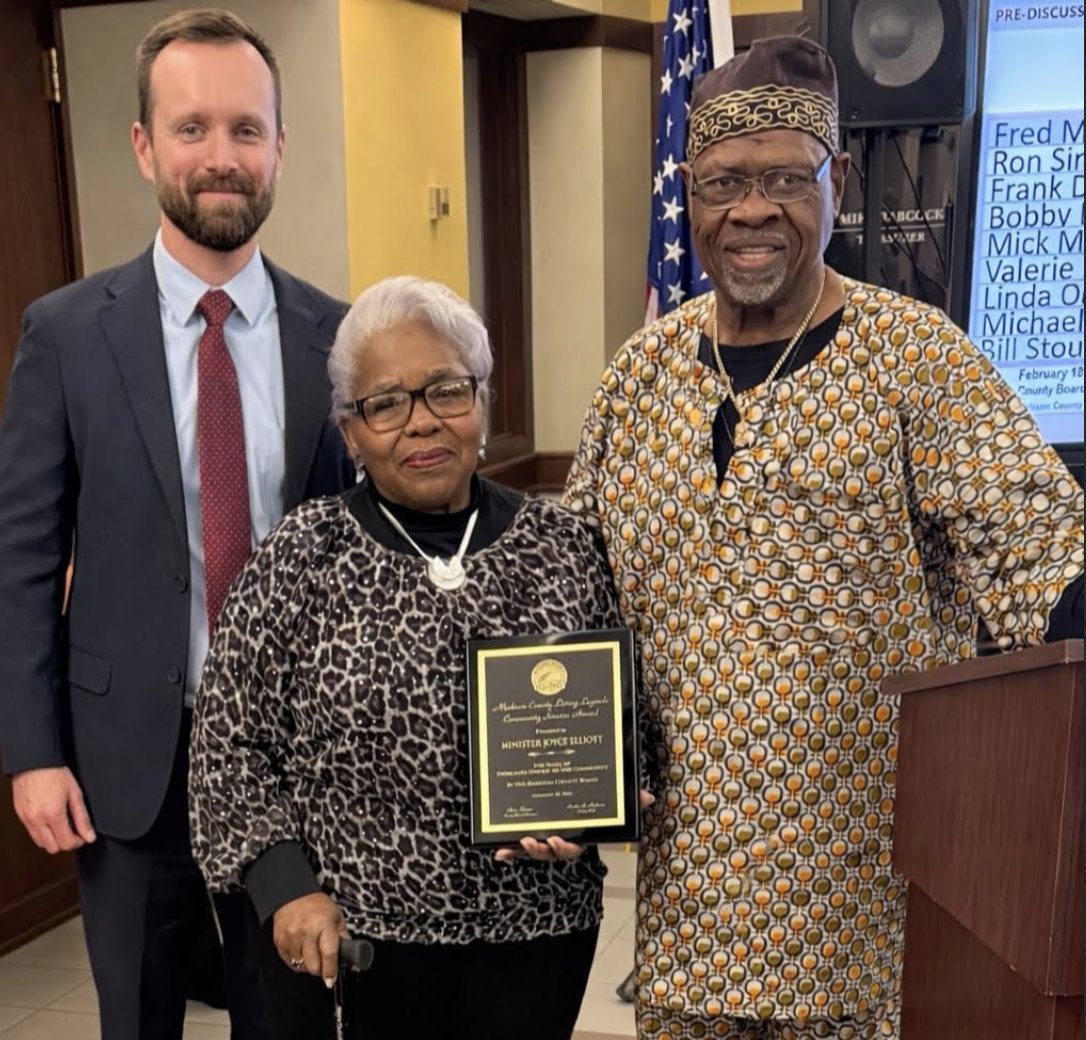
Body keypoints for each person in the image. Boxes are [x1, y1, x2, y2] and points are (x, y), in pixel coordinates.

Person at [564, 35, 1084, 1040]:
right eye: (722, 182)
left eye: (782, 179)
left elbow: (1037, 542)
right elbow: (573, 598)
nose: (751, 210)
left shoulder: (918, 361)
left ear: (835, 181)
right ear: (688, 192)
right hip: (689, 928)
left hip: (869, 928)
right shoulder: (639, 378)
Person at [0, 9, 353, 1038]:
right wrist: (31, 751)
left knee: (284, 1015)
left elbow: (353, 559)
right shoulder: (64, 335)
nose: (222, 156)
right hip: (123, 757)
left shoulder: (333, 338)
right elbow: (22, 558)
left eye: (247, 130)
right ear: (145, 144)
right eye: (192, 127)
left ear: (280, 147)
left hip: (293, 762)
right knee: (139, 1016)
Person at [188, 276, 636, 1040]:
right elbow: (226, 750)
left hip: (533, 941)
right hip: (349, 947)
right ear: (350, 431)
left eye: (446, 391)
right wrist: (286, 889)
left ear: (482, 403)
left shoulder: (563, 548)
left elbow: (628, 717)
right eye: (386, 403)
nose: (421, 422)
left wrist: (602, 803)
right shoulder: (301, 557)